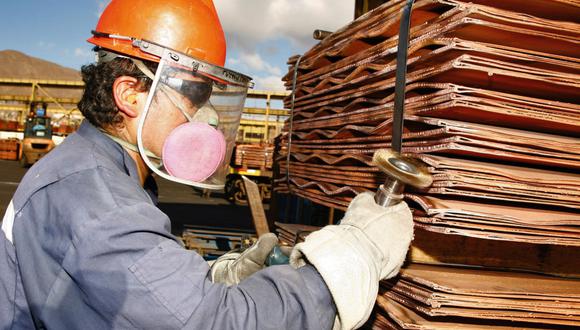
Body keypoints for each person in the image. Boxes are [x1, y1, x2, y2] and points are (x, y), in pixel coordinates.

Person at [0, 1, 414, 329]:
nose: (207, 117)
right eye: (194, 94)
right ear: (129, 95)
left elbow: (140, 295)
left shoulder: (96, 173)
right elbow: (218, 322)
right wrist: (352, 256)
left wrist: (216, 277)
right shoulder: (99, 203)